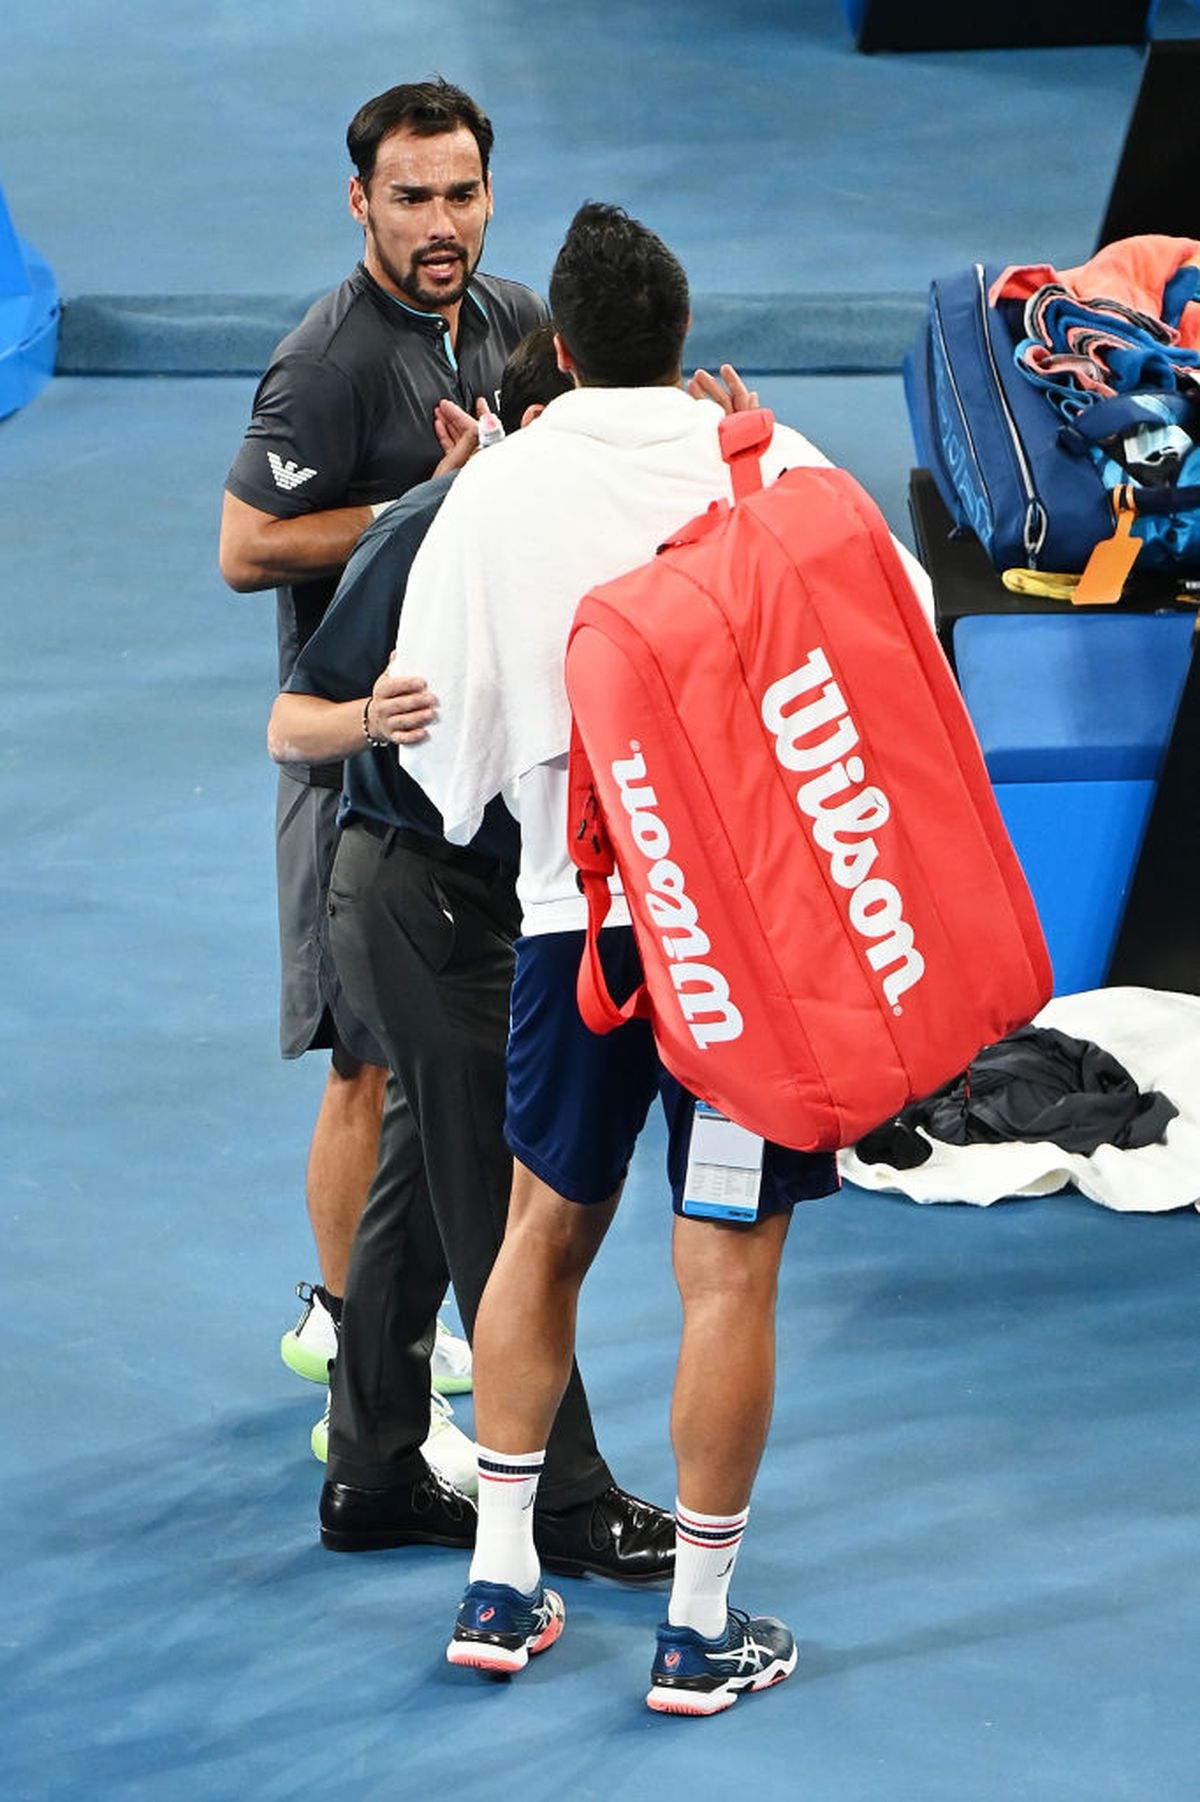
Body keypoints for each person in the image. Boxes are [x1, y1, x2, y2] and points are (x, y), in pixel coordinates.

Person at [392, 203, 932, 1713]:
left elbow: (437, 753)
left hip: (577, 937)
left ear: (559, 351)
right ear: (684, 339)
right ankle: (696, 1627)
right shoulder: (776, 464)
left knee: (539, 1234)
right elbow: (906, 647)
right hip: (745, 960)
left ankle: (502, 1583)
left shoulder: (494, 490)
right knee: (728, 1271)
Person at [266, 326, 676, 1580]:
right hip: (416, 902)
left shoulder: (577, 518)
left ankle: (373, 1466)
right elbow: (290, 721)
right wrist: (369, 715)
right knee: (503, 1199)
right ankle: (563, 1496)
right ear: (536, 430)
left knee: (416, 1188)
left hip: (492, 903)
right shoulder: (436, 526)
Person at [220, 79, 545, 1409]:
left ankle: (400, 1321)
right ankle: (349, 1330)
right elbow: (247, 546)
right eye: (411, 197)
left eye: (461, 193)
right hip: (348, 758)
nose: (439, 222)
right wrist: (422, 504)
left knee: (441, 1050)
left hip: (464, 758)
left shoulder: (511, 319)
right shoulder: (328, 362)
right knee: (364, 1060)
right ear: (361, 202)